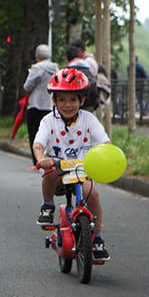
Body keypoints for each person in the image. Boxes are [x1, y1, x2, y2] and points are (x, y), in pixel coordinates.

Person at [32, 68, 111, 260]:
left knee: (91, 193)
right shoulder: (48, 121)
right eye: (61, 100)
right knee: (49, 174)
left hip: (83, 170)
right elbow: (38, 144)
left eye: (73, 100)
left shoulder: (89, 120)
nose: (67, 105)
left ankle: (98, 237)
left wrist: (105, 155)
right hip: (58, 170)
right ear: (54, 101)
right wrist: (42, 158)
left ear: (82, 100)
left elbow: (105, 143)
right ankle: (47, 206)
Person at [23, 44, 58, 153]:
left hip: (35, 104)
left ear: (37, 56)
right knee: (49, 133)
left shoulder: (36, 68)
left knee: (34, 133)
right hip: (50, 104)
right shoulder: (55, 69)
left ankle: (37, 160)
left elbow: (27, 87)